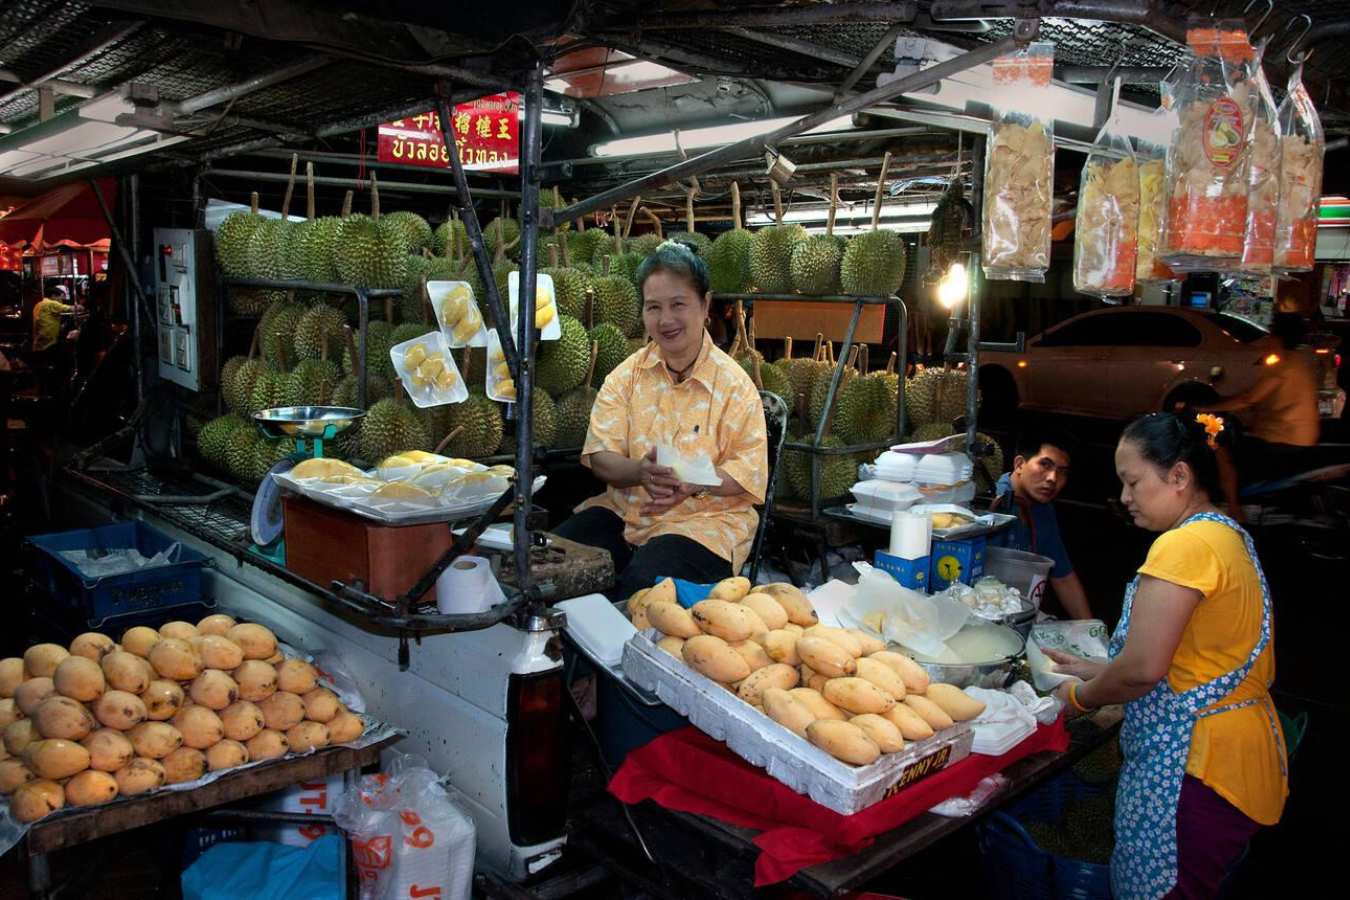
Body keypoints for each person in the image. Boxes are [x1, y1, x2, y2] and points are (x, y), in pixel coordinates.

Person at [1046, 412, 1287, 900]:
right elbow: (1193, 656)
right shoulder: (1225, 533)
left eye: (1133, 482)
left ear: (1179, 475)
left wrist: (1079, 695)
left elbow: (1142, 672)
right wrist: (1102, 669)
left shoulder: (1184, 546)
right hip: (1237, 756)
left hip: (1195, 767)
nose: (1125, 498)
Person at [552, 241, 768, 600]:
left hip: (703, 525)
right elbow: (601, 455)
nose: (665, 320)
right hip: (624, 514)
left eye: (678, 304)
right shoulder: (626, 376)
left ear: (705, 305)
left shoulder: (735, 387)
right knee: (550, 565)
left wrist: (693, 481)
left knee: (644, 591)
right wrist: (640, 472)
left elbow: (748, 472)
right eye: (654, 307)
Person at [1198, 312, 1320, 519]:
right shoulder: (1301, 361)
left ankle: (1234, 509)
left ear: (1276, 337)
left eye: (1270, 334)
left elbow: (1250, 398)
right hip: (1302, 437)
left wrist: (1208, 408)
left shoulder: (1284, 363)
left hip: (1283, 439)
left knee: (1220, 447)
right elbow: (1262, 399)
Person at [989, 427, 1092, 619]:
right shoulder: (989, 503)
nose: (1053, 478)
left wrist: (1090, 631)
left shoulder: (1043, 510)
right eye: (1045, 465)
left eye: (1062, 472)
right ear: (1019, 464)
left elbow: (1063, 577)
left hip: (1020, 613)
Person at [30, 284, 76, 355]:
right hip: (48, 341)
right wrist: (82, 306)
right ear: (53, 296)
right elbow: (69, 308)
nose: (61, 301)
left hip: (39, 339)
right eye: (60, 298)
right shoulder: (51, 303)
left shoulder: (39, 304)